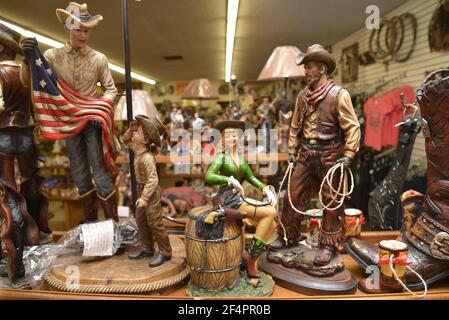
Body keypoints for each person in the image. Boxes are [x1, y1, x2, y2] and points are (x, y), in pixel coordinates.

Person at [21, 2, 118, 222]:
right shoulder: (52, 56)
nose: (83, 34)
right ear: (67, 28)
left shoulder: (98, 59)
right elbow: (31, 81)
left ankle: (113, 224)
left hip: (92, 122)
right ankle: (92, 222)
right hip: (67, 122)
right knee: (79, 172)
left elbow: (111, 89)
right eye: (78, 29)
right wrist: (27, 61)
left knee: (100, 172)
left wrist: (100, 107)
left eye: (87, 30)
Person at [268, 44, 361, 266]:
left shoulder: (339, 95)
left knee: (331, 201)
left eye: (310, 67)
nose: (306, 71)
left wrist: (349, 154)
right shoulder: (302, 96)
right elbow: (295, 125)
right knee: (292, 192)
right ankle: (288, 236)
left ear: (322, 69)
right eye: (306, 67)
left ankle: (328, 245)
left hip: (330, 154)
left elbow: (352, 127)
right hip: (305, 153)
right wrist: (292, 149)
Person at [0, 23, 46, 280]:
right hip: (27, 134)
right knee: (30, 186)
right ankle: (38, 239)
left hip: (4, 135)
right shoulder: (27, 73)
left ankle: (15, 260)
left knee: (8, 193)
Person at [204, 120, 277, 282]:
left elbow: (250, 177)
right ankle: (250, 258)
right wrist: (228, 179)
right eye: (229, 136)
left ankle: (249, 258)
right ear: (222, 139)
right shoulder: (221, 157)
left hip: (239, 197)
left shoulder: (241, 159)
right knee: (270, 212)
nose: (233, 138)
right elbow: (208, 176)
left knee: (273, 224)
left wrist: (264, 188)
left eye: (235, 135)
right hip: (229, 200)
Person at [122, 115, 172, 267]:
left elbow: (153, 179)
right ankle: (147, 248)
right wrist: (131, 130)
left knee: (155, 222)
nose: (134, 134)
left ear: (145, 140)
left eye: (138, 132)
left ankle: (165, 252)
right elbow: (125, 139)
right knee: (141, 221)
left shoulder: (147, 158)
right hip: (141, 191)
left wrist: (144, 198)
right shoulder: (138, 150)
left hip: (150, 194)